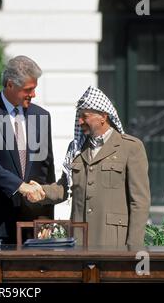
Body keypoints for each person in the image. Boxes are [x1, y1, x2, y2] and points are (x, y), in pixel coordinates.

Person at [29, 86, 151, 247]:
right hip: (79, 239)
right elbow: (65, 188)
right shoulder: (76, 148)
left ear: (103, 117)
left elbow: (140, 202)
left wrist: (134, 247)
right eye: (79, 116)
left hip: (114, 243)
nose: (80, 121)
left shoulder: (131, 147)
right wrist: (40, 192)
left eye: (84, 116)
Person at [0, 55, 55, 243]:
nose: (33, 95)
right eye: (28, 89)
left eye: (34, 88)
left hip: (32, 226)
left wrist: (46, 218)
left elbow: (47, 168)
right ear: (10, 85)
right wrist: (19, 186)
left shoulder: (41, 116)